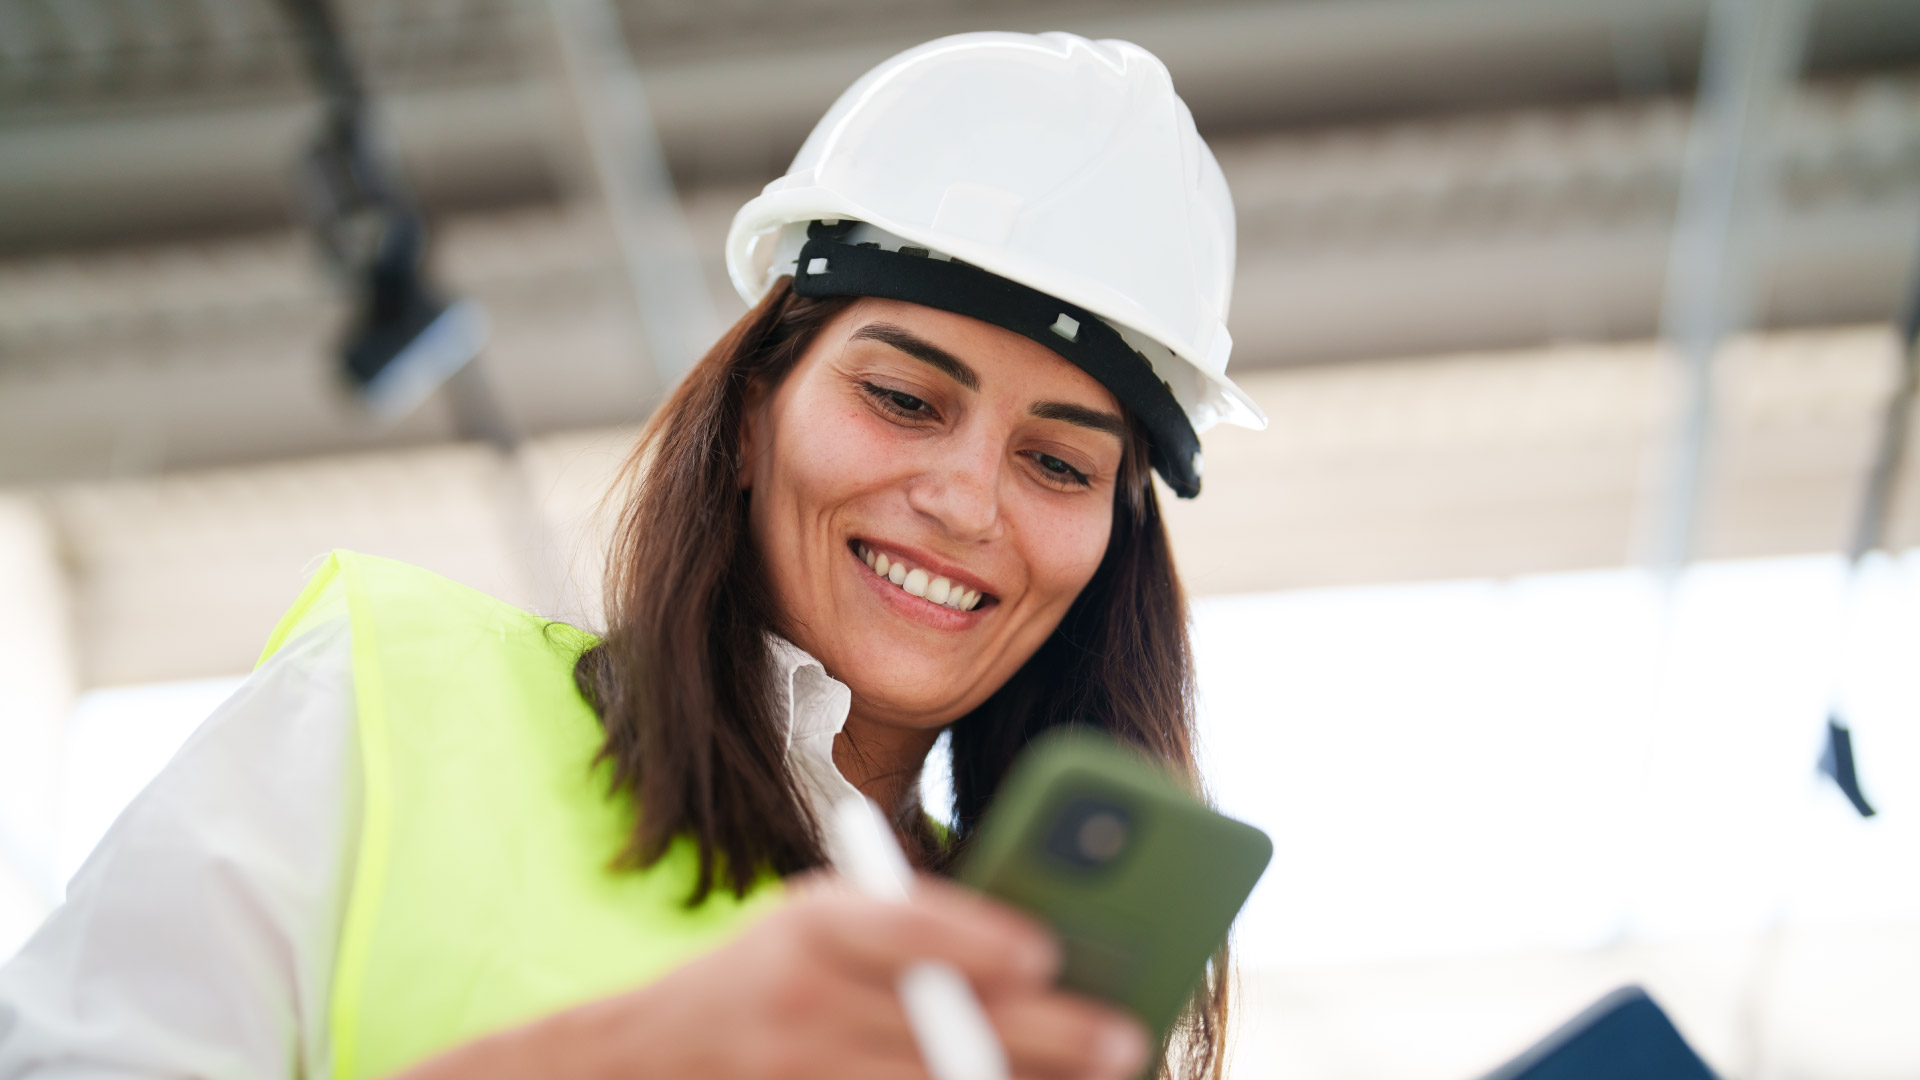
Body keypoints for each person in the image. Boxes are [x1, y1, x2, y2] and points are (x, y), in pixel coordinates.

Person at [0, 30, 1265, 1080]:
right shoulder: (393, 708)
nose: (966, 501)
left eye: (1058, 463)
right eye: (902, 398)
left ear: (1110, 545)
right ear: (752, 421)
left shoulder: (1041, 995)